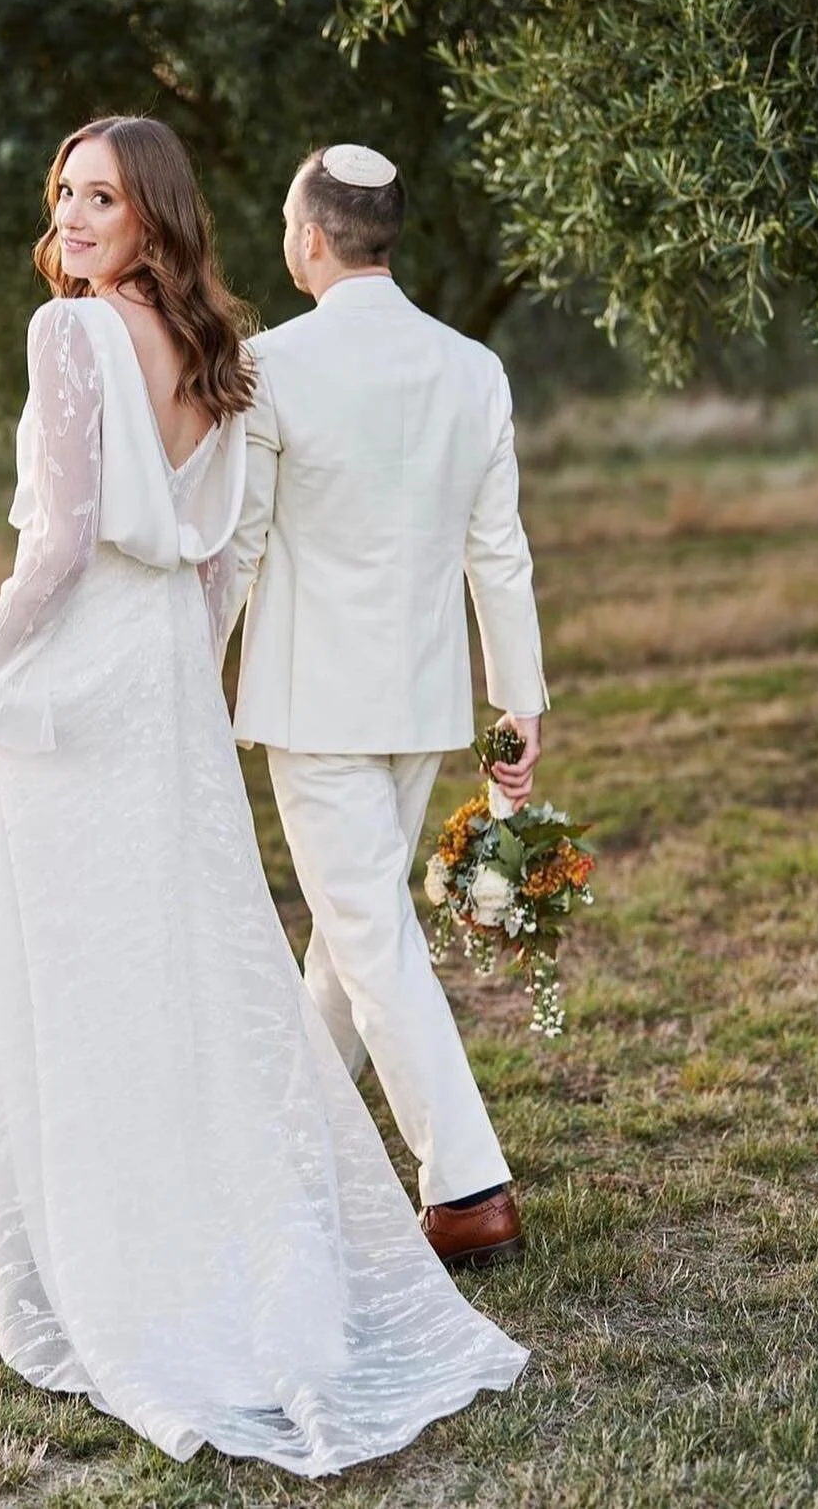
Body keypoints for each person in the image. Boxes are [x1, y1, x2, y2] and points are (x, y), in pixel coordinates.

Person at [0, 116, 526, 1475]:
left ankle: (146, 1229)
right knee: (184, 951)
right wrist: (186, 668)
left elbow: (61, 541)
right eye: (62, 188)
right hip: (175, 673)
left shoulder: (69, 336)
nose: (71, 214)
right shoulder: (219, 352)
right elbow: (215, 563)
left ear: (152, 214)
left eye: (102, 196)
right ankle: (226, 1203)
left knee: (92, 951)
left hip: (85, 663)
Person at [220, 143, 551, 1271]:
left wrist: (185, 662)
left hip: (313, 703)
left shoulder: (267, 365)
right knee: (351, 938)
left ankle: (467, 1184)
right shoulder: (472, 367)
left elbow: (243, 542)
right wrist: (519, 705)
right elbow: (495, 553)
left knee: (367, 933)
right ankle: (281, 1147)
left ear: (311, 237)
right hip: (421, 702)